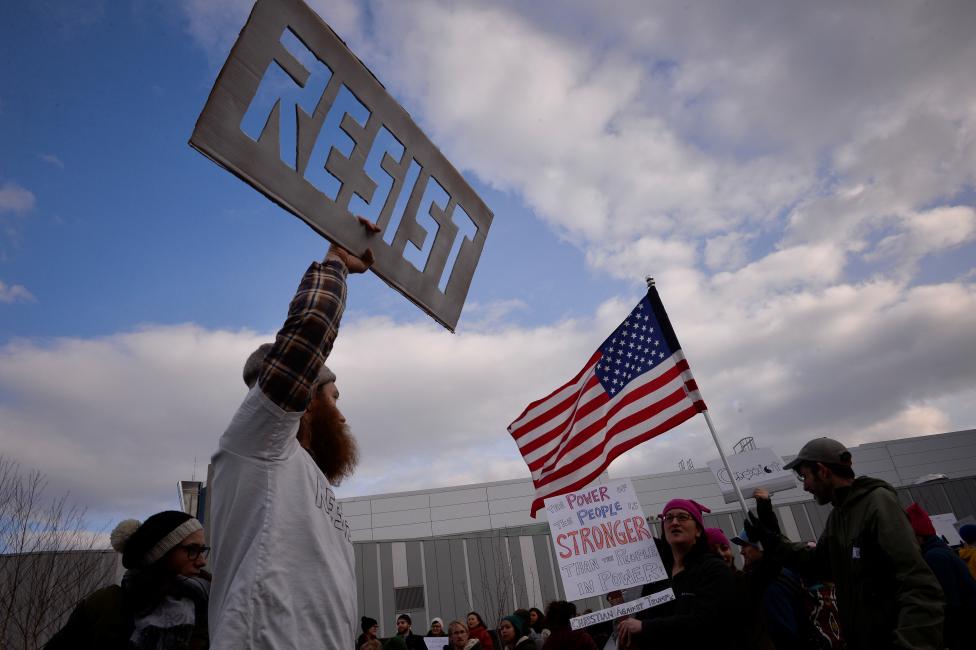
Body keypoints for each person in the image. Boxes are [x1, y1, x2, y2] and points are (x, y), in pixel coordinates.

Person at [207, 220, 380, 649]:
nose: (341, 416)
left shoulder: (304, 474)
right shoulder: (257, 443)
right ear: (306, 399)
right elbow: (308, 336)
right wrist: (337, 262)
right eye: (333, 398)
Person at [746, 437, 945, 650]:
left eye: (805, 477)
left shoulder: (877, 504)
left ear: (822, 471)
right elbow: (817, 562)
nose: (805, 487)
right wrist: (772, 539)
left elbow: (920, 586)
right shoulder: (839, 516)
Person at [46, 511, 210, 649]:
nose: (202, 561)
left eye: (202, 550)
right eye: (192, 550)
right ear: (161, 555)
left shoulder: (212, 606)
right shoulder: (106, 606)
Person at [616, 499, 739, 647]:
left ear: (698, 530)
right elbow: (644, 617)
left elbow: (705, 621)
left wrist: (645, 627)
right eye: (669, 518)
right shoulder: (658, 575)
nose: (674, 522)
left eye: (682, 517)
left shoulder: (714, 569)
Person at [906, 503, 976, 649]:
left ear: (918, 536)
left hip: (964, 630)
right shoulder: (940, 551)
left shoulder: (934, 557)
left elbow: (949, 601)